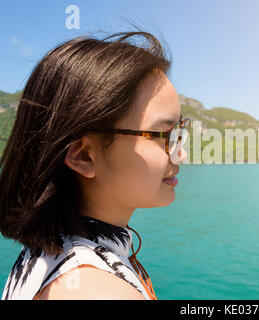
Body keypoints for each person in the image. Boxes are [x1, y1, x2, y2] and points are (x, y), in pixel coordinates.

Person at [0, 31, 190, 300]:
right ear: (83, 156)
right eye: (164, 135)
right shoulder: (98, 291)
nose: (181, 153)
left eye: (180, 130)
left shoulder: (47, 252)